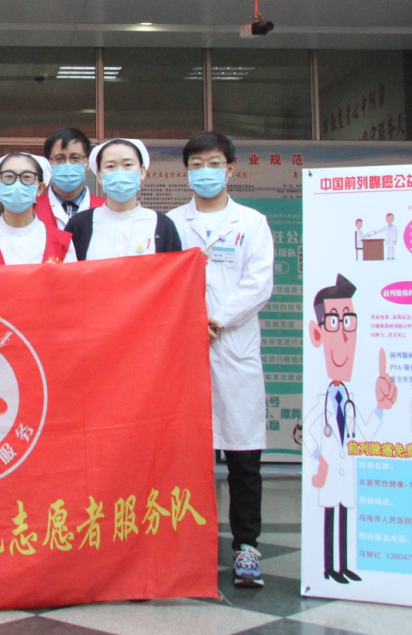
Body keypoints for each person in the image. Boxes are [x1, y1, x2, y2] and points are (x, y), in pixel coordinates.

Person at [167, 131, 275, 588]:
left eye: (214, 164)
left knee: (242, 457)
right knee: (183, 456)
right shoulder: (171, 223)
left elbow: (259, 283)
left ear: (231, 168)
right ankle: (185, 544)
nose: (205, 172)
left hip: (233, 348)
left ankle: (246, 546)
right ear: (186, 171)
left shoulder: (251, 222)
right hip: (181, 350)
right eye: (196, 165)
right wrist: (189, 319)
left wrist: (217, 319)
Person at [304, 274, 398, 586]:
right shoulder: (320, 400)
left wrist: (381, 408)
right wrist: (319, 460)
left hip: (346, 472)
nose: (345, 335)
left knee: (343, 517)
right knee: (330, 517)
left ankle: (343, 566)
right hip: (328, 473)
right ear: (317, 334)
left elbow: (364, 433)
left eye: (350, 322)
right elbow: (309, 436)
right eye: (334, 322)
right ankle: (328, 568)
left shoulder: (349, 398)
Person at [65, 138, 181, 261]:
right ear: (99, 176)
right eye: (110, 166)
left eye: (128, 165)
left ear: (142, 172)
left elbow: (175, 269)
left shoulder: (162, 225)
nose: (119, 172)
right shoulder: (79, 225)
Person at [0, 153, 73, 265]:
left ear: (40, 188)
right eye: (9, 177)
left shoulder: (61, 241)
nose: (17, 184)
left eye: (27, 177)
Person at [35, 127, 105, 231]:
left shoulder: (106, 209)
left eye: (76, 158)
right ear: (48, 164)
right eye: (59, 159)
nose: (68, 164)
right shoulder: (31, 210)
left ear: (88, 163)